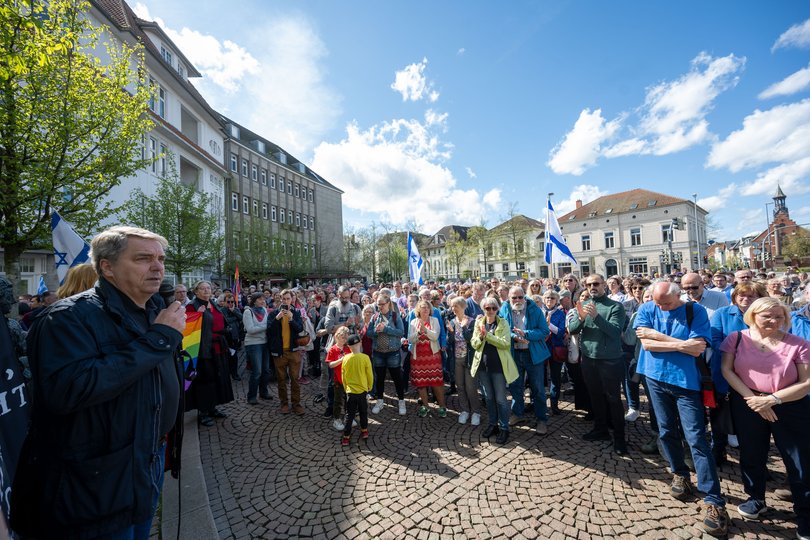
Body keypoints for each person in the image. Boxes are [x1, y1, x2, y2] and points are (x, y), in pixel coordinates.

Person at [10, 226, 185, 538]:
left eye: (160, 258)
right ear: (107, 267)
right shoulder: (66, 318)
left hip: (147, 460)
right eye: (144, 258)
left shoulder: (156, 311)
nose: (158, 267)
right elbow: (69, 390)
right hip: (94, 482)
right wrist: (158, 340)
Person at [634, 281, 729, 537]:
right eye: (658, 302)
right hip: (654, 378)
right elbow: (646, 344)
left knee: (696, 437)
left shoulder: (694, 311)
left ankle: (713, 499)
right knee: (666, 431)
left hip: (687, 382)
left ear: (679, 296)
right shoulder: (647, 307)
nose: (661, 307)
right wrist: (680, 344)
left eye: (666, 302)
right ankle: (680, 474)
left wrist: (662, 338)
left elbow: (697, 347)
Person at [719, 297, 810, 538]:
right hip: (748, 402)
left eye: (779, 316)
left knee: (799, 460)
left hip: (789, 405)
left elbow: (806, 382)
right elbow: (727, 370)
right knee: (752, 452)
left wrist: (773, 400)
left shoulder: (798, 344)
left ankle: (806, 514)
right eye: (767, 316)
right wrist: (754, 400)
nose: (774, 321)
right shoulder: (736, 338)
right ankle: (755, 498)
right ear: (753, 316)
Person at [567, 274, 628, 455]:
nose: (592, 287)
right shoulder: (584, 305)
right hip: (588, 359)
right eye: (589, 284)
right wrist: (581, 317)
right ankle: (601, 429)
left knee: (613, 399)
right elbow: (572, 329)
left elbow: (615, 332)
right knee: (595, 396)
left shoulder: (615, 306)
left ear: (604, 285)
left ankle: (619, 437)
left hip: (609, 360)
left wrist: (596, 317)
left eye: (596, 284)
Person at [709, 281, 768, 464]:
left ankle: (753, 460)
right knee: (719, 415)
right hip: (724, 375)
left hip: (756, 378)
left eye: (751, 296)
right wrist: (746, 353)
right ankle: (718, 451)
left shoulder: (765, 316)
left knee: (751, 420)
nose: (745, 299)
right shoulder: (722, 314)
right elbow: (715, 341)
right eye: (741, 295)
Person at [500, 285, 550, 435]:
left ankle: (541, 419)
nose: (517, 300)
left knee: (538, 388)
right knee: (515, 386)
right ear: (509, 298)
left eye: (520, 297)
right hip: (514, 353)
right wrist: (514, 336)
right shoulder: (504, 309)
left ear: (525, 297)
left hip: (532, 353)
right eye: (514, 297)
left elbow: (544, 331)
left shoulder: (535, 309)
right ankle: (518, 414)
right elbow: (503, 329)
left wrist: (526, 334)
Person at [471, 296, 519, 444]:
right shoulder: (479, 322)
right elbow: (474, 343)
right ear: (483, 309)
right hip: (483, 367)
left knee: (501, 399)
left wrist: (488, 336)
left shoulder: (503, 322)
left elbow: (505, 344)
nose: (490, 310)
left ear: (497, 309)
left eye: (493, 308)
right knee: (489, 398)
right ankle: (493, 424)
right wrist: (480, 337)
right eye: (487, 308)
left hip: (498, 367)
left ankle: (504, 427)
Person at [366, 292, 406, 415]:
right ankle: (380, 401)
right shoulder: (375, 317)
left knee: (397, 378)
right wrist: (376, 331)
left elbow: (401, 332)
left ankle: (401, 402)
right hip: (378, 353)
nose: (380, 307)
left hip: (392, 353)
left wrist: (386, 329)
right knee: (379, 379)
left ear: (388, 303)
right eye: (378, 305)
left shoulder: (395, 316)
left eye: (382, 304)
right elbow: (368, 333)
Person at [268, 289, 305, 415]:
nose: (286, 301)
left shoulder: (296, 313)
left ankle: (296, 404)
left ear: (292, 299)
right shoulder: (273, 314)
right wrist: (277, 319)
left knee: (295, 379)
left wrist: (291, 319)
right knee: (281, 379)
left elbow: (300, 328)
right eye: (284, 299)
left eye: (288, 299)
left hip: (293, 351)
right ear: (280, 299)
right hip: (279, 353)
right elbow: (269, 331)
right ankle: (284, 404)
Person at [408, 299, 446, 418]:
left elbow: (435, 336)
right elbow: (410, 339)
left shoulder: (434, 320)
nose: (425, 309)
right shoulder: (413, 322)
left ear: (430, 310)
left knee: (436, 382)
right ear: (418, 309)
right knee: (421, 383)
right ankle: (426, 406)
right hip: (418, 358)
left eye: (427, 307)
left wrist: (426, 330)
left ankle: (442, 406)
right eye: (423, 307)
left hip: (433, 357)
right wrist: (418, 333)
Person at [446, 296, 479, 425]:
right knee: (460, 386)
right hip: (457, 358)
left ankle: (475, 412)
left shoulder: (471, 321)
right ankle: (465, 410)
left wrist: (464, 328)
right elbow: (450, 342)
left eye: (456, 306)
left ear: (463, 307)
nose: (453, 309)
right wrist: (450, 332)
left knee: (471, 386)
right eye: (452, 306)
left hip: (469, 358)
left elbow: (471, 340)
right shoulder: (452, 322)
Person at [341, 334, 373, 446]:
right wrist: (370, 385)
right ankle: (364, 430)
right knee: (363, 412)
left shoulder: (345, 358)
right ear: (360, 343)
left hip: (350, 392)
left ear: (348, 347)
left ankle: (346, 437)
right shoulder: (365, 358)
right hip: (362, 391)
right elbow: (369, 374)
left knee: (349, 415)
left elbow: (343, 376)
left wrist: (346, 388)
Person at [540, 290, 567, 416]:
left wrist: (549, 325)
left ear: (556, 300)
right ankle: (539, 404)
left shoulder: (560, 314)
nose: (549, 300)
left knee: (556, 378)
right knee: (539, 377)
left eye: (552, 298)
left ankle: (554, 405)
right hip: (541, 348)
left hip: (556, 348)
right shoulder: (539, 312)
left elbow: (561, 332)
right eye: (547, 298)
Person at [243, 292, 271, 405]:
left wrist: (263, 327)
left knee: (265, 370)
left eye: (263, 299)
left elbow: (259, 327)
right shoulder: (248, 312)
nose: (263, 301)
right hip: (253, 344)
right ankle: (251, 396)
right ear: (254, 301)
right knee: (257, 371)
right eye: (260, 299)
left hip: (265, 342)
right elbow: (250, 329)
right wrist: (266, 326)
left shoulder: (264, 310)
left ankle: (263, 392)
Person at [326, 326, 352, 431]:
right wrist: (340, 360)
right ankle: (336, 419)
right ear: (337, 337)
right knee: (337, 401)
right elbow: (330, 364)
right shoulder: (333, 349)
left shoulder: (348, 348)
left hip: (348, 379)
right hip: (337, 380)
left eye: (346, 338)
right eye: (342, 337)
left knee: (348, 400)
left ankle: (348, 417)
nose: (344, 340)